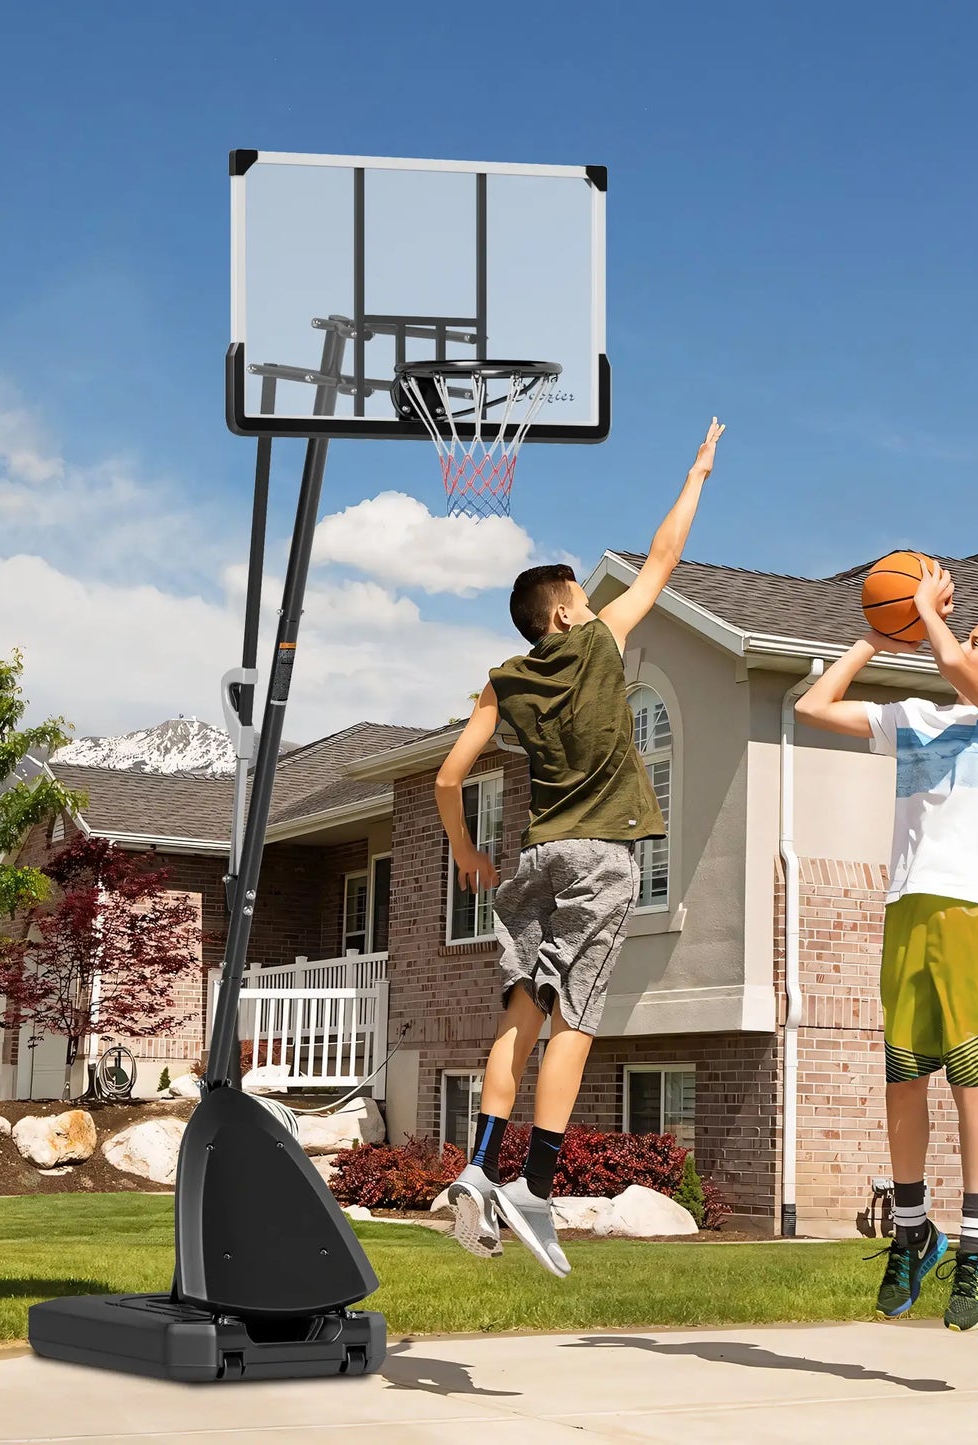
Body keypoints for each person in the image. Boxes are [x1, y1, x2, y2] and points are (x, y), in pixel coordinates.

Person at [434, 419, 726, 1276]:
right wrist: (696, 474)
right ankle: (533, 1185)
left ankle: (477, 1166)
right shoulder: (599, 643)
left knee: (520, 1015)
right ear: (566, 613)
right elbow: (662, 560)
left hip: (534, 862)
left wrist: (465, 852)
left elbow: (449, 777)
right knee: (576, 1021)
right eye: (585, 602)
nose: (596, 610)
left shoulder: (503, 680)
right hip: (599, 859)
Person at [794, 562, 978, 1330]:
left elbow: (948, 663)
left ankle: (976, 1245)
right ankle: (913, 1231)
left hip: (970, 909)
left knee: (970, 1074)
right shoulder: (912, 717)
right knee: (903, 1076)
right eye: (961, 634)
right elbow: (811, 705)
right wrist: (872, 639)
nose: (960, 644)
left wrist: (924, 610)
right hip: (905, 906)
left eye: (976, 639)